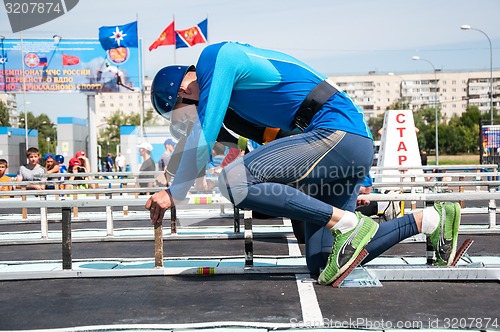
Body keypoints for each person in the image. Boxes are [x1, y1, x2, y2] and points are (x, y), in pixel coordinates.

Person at [146, 42, 462, 284]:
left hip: (338, 134)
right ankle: (429, 220)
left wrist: (175, 192)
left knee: (233, 181)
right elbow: (226, 139)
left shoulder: (216, 59)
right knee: (324, 264)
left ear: (183, 91)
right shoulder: (233, 99)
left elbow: (208, 131)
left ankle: (347, 222)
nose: (187, 117)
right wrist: (185, 172)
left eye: (182, 111)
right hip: (340, 147)